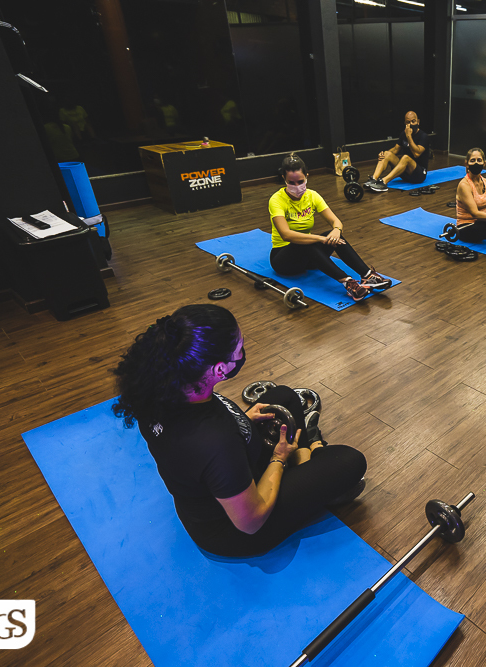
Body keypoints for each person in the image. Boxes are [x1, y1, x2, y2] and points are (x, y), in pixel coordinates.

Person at [112, 304, 367, 558]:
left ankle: (308, 464)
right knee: (350, 461)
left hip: (225, 475)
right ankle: (312, 457)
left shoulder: (164, 386)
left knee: (285, 396)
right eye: (239, 347)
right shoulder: (214, 441)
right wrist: (279, 458)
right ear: (219, 369)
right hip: (237, 528)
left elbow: (196, 450)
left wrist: (243, 419)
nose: (242, 351)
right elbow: (250, 521)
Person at [269, 156, 391, 302]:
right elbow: (286, 235)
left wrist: (336, 230)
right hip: (283, 260)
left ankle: (367, 276)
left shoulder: (312, 196)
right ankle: (348, 283)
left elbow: (336, 221)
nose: (296, 186)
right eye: (291, 182)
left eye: (300, 182)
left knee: (331, 236)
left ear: (307, 177)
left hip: (308, 259)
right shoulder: (276, 200)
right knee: (307, 243)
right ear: (284, 179)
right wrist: (321, 239)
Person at [365, 111, 431, 192]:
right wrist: (383, 154)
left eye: (413, 121)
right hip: (405, 173)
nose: (411, 124)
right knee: (387, 153)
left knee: (406, 157)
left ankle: (383, 182)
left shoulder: (423, 136)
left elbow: (416, 154)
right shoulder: (403, 134)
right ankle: (373, 179)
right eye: (408, 122)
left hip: (418, 175)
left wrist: (409, 137)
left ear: (418, 122)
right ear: (405, 123)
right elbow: (395, 149)